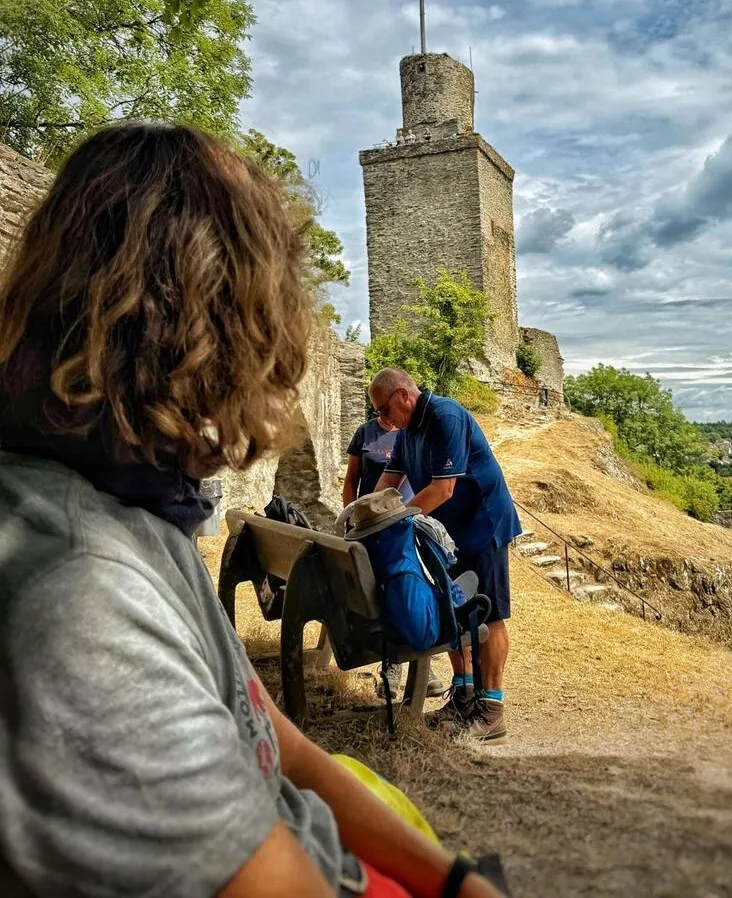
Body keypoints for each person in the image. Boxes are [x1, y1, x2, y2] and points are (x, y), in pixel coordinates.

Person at [0, 123, 502, 898]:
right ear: (229, 327)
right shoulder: (87, 594)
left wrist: (453, 878)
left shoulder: (130, 516)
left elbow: (276, 740)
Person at [368, 368, 521, 744]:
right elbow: (387, 484)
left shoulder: (446, 416)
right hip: (448, 532)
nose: (385, 423)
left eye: (386, 412)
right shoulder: (405, 433)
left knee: (490, 614)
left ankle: (492, 710)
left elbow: (443, 490)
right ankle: (464, 695)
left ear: (404, 395)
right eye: (379, 417)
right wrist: (363, 514)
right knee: (454, 611)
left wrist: (396, 523)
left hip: (483, 524)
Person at [342, 416, 441, 702]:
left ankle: (425, 668)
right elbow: (351, 479)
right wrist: (350, 515)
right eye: (381, 407)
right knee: (385, 595)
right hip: (372, 530)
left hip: (405, 528)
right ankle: (393, 668)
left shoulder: (412, 435)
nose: (387, 412)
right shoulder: (365, 434)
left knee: (413, 594)